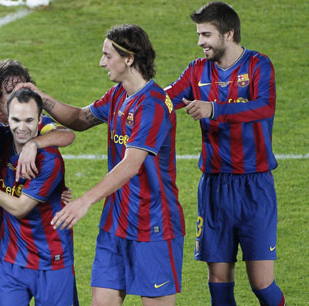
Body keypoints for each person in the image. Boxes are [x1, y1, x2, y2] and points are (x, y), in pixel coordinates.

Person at [17, 24, 185, 305]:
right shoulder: (118, 94)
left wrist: (84, 201)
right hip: (116, 222)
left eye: (108, 55)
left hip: (154, 226)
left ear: (129, 59)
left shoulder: (152, 104)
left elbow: (132, 164)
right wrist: (40, 97)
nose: (101, 62)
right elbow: (81, 119)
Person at [164, 2, 285, 305]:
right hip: (215, 187)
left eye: (206, 34)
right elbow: (165, 99)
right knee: (218, 278)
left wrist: (214, 108)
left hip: (254, 186)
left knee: (261, 283)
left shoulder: (258, 65)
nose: (200, 41)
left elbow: (264, 106)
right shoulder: (196, 71)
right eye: (199, 34)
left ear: (228, 34)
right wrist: (133, 97)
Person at [0, 88, 77, 305]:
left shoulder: (49, 160)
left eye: (29, 120)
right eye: (15, 120)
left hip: (50, 260)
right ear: (7, 117)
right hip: (12, 260)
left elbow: (20, 208)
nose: (21, 128)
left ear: (40, 120)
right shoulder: (0, 141)